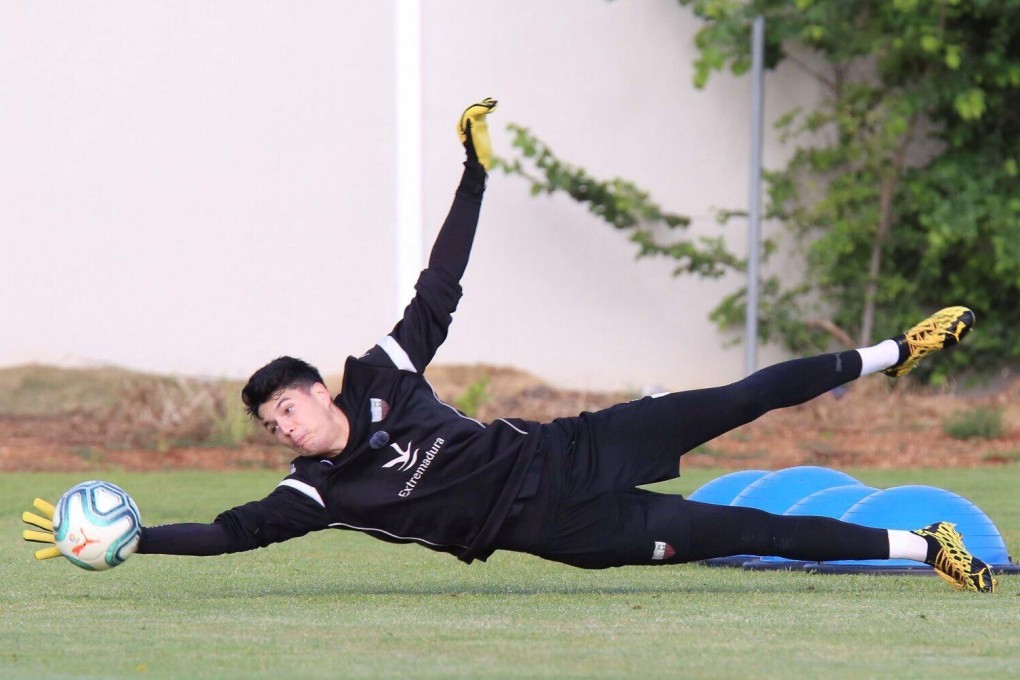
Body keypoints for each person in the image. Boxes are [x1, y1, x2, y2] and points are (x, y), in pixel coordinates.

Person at [22, 99, 996, 593]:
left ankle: (889, 354)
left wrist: (472, 177)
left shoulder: (383, 374)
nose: (284, 423)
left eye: (287, 404)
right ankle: (927, 546)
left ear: (318, 389)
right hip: (568, 531)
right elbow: (230, 533)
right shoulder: (316, 492)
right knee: (747, 531)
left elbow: (437, 287)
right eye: (272, 421)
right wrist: (129, 538)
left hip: (570, 447)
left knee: (737, 397)